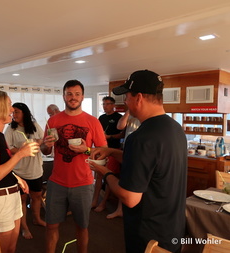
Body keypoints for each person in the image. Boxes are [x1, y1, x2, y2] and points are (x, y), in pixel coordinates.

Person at [89, 70, 187, 253]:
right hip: (173, 228)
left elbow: (130, 198)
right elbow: (148, 165)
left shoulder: (140, 138)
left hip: (149, 235)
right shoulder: (175, 128)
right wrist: (111, 152)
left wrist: (104, 172)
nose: (125, 102)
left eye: (126, 96)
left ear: (138, 97)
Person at [41, 80, 106, 253]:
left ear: (82, 97)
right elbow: (45, 151)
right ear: (63, 96)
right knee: (51, 226)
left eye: (77, 94)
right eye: (69, 94)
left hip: (83, 184)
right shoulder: (53, 121)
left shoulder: (93, 122)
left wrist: (86, 149)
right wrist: (46, 145)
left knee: (82, 227)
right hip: (56, 182)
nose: (73, 97)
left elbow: (102, 154)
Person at [0, 90, 40, 253]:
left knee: (11, 248)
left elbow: (2, 165)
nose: (12, 110)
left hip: (10, 197)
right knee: (2, 250)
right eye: (9, 105)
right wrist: (20, 154)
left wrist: (16, 177)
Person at [4, 102, 45, 239]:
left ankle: (37, 218)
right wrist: (22, 151)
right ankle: (24, 227)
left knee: (37, 196)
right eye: (13, 112)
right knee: (22, 199)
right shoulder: (11, 129)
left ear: (24, 113)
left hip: (35, 169)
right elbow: (8, 148)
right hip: (19, 171)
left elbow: (41, 139)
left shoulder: (33, 125)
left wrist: (35, 144)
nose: (14, 114)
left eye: (17, 112)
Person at [93, 97, 124, 217]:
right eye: (103, 104)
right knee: (99, 175)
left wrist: (109, 137)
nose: (105, 106)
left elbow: (121, 134)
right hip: (102, 149)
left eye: (107, 104)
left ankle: (103, 203)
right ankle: (95, 200)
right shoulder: (102, 118)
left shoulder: (118, 118)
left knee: (108, 176)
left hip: (113, 151)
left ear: (113, 105)